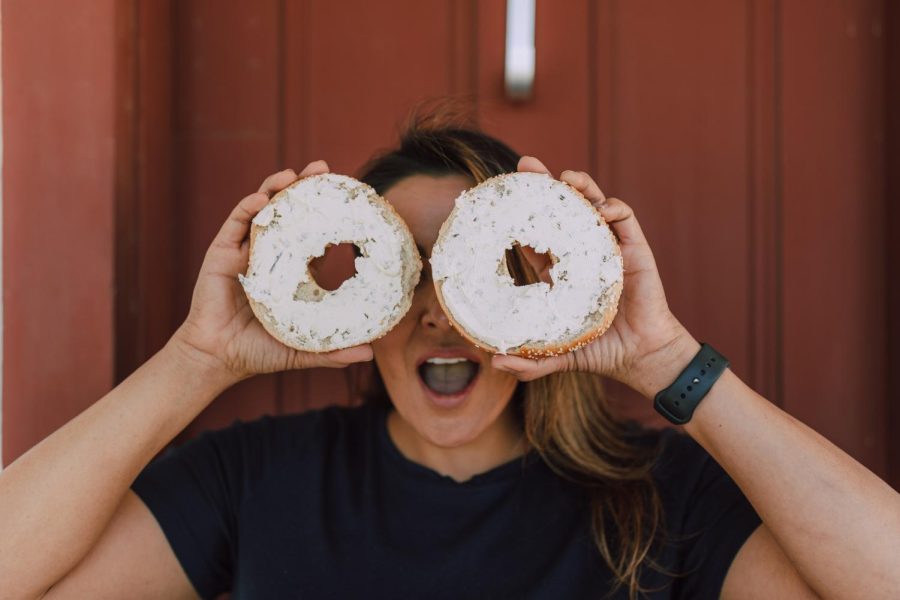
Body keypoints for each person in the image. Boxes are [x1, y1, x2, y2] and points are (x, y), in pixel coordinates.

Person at [1, 115, 898, 600]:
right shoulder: (259, 481)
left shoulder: (658, 498)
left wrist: (666, 362)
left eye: (481, 272)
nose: (439, 315)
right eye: (407, 273)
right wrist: (197, 360)